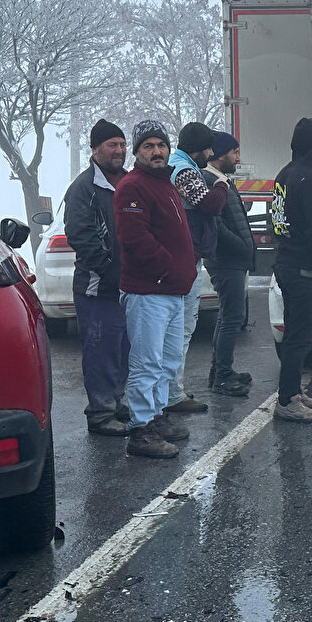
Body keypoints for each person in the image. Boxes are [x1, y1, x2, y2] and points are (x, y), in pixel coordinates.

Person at [114, 120, 197, 458]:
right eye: (148, 146)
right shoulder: (132, 186)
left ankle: (157, 416)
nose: (157, 151)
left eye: (161, 145)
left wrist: (183, 272)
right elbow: (134, 238)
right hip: (148, 291)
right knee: (147, 362)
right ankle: (140, 430)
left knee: (167, 360)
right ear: (137, 152)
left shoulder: (165, 185)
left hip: (173, 291)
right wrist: (166, 267)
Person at [63, 119, 131, 436]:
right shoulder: (83, 188)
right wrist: (110, 270)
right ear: (95, 149)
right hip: (98, 288)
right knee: (101, 351)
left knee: (123, 349)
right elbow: (81, 236)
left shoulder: (129, 182)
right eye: (111, 145)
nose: (119, 150)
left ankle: (117, 403)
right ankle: (101, 413)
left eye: (121, 144)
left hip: (130, 287)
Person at [272, 118, 312, 423]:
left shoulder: (285, 174)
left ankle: (294, 390)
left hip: (286, 263)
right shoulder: (309, 180)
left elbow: (279, 222)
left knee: (294, 334)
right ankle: (287, 401)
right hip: (305, 271)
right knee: (300, 337)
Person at [168, 122, 228, 409]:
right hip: (184, 258)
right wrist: (219, 184)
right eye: (208, 148)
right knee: (181, 329)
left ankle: (170, 391)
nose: (211, 152)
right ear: (196, 149)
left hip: (181, 256)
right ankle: (172, 394)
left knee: (176, 329)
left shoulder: (176, 164)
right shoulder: (185, 170)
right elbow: (210, 204)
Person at [203, 131, 257, 396]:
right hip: (226, 260)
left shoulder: (222, 180)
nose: (238, 158)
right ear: (220, 153)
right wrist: (241, 246)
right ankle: (222, 377)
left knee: (229, 315)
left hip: (232, 259)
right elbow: (216, 225)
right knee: (231, 317)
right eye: (235, 152)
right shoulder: (210, 180)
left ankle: (220, 370)